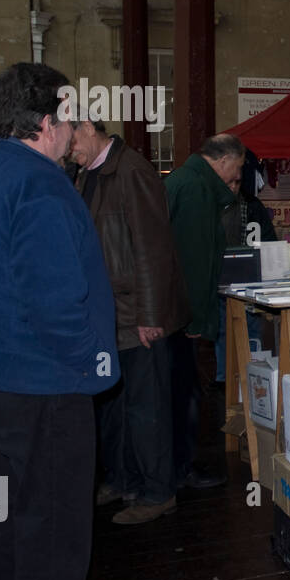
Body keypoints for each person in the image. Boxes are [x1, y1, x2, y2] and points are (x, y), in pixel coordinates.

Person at [0, 62, 120, 580]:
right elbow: (55, 299)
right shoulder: (42, 184)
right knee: (53, 531)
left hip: (0, 381)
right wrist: (85, 363)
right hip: (45, 387)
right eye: (69, 118)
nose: (74, 131)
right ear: (46, 124)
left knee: (19, 526)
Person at [68, 116, 189, 524]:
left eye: (71, 139)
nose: (68, 148)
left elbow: (154, 251)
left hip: (137, 315)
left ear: (87, 126)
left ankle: (158, 492)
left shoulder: (132, 171)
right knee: (116, 406)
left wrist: (150, 316)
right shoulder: (89, 173)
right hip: (109, 314)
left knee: (147, 408)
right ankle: (124, 480)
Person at [166, 133, 245, 489]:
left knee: (180, 392)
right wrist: (197, 319)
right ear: (225, 160)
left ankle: (176, 466)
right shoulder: (197, 191)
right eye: (238, 168)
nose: (237, 177)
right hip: (183, 315)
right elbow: (196, 261)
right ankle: (182, 469)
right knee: (186, 393)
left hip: (172, 310)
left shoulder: (184, 180)